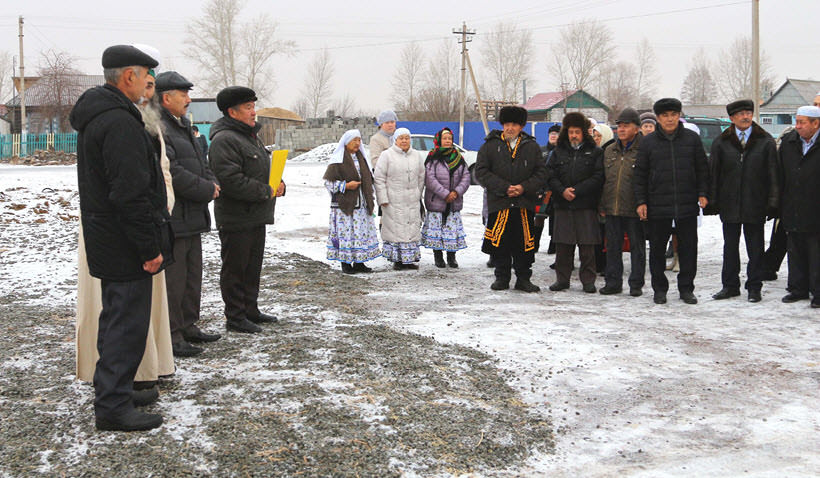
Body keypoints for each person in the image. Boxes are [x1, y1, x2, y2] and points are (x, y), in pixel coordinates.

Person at [70, 44, 173, 431]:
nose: (148, 83)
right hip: (124, 241)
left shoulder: (103, 114)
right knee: (125, 324)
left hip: (110, 236)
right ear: (129, 75)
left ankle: (115, 389)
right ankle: (112, 406)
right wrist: (148, 247)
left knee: (116, 318)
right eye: (145, 75)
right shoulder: (119, 122)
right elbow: (130, 193)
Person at [155, 71, 222, 356]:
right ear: (166, 98)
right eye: (183, 95)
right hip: (175, 217)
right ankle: (172, 335)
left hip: (193, 215)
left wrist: (212, 182)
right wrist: (206, 189)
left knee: (193, 276)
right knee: (175, 280)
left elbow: (201, 162)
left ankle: (188, 324)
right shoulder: (159, 128)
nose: (188, 100)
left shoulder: (183, 125)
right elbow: (172, 171)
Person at [209, 86, 286, 333]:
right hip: (236, 217)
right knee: (235, 269)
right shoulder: (224, 140)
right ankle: (235, 316)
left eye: (254, 106)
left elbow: (261, 169)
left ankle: (250, 309)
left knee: (252, 267)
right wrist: (266, 190)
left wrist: (279, 184)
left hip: (255, 215)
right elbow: (231, 181)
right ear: (232, 112)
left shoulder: (250, 136)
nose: (254, 112)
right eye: (248, 107)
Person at [634, 98, 709, 305]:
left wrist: (703, 192)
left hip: (686, 203)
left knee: (688, 249)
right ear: (658, 118)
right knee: (657, 250)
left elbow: (702, 168)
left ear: (679, 116)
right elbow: (640, 174)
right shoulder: (648, 142)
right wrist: (641, 201)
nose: (669, 119)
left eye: (673, 115)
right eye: (665, 115)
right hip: (658, 204)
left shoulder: (691, 139)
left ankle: (686, 288)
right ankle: (660, 289)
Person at [707, 99, 778, 303]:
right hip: (729, 203)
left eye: (748, 113)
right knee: (730, 247)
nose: (745, 117)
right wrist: (713, 200)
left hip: (755, 203)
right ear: (732, 118)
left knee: (755, 248)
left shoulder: (765, 141)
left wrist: (773, 201)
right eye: (740, 114)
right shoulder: (722, 142)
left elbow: (773, 173)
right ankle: (730, 286)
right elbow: (714, 173)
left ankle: (754, 287)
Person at [475, 105, 547, 292]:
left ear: (521, 126)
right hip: (500, 203)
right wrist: (504, 188)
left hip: (524, 204)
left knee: (524, 244)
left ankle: (523, 279)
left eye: (514, 124)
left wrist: (523, 187)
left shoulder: (531, 146)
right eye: (507, 124)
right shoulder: (490, 145)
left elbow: (541, 173)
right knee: (500, 243)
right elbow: (481, 172)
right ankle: (502, 278)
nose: (510, 128)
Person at [546, 112, 604, 293]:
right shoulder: (557, 152)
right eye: (571, 132)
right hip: (562, 205)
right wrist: (562, 191)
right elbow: (549, 175)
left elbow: (598, 177)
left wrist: (577, 191)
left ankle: (588, 281)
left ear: (583, 133)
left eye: (577, 132)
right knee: (563, 246)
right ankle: (562, 280)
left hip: (586, 205)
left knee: (587, 247)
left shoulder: (595, 152)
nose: (574, 136)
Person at [599, 107, 646, 296]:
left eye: (626, 126)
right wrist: (602, 203)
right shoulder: (609, 150)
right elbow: (603, 178)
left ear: (637, 128)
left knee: (637, 248)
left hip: (635, 207)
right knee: (612, 247)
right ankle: (613, 282)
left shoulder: (645, 149)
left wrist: (644, 203)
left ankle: (636, 284)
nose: (622, 129)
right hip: (612, 207)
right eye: (619, 126)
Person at [778, 105, 820, 308]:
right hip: (793, 205)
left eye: (802, 122)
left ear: (816, 123)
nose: (798, 126)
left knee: (816, 253)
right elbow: (780, 173)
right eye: (797, 122)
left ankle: (818, 292)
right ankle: (798, 288)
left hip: (816, 207)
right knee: (795, 250)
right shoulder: (789, 142)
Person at [323, 129, 381, 273]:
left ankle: (359, 262)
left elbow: (369, 179)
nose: (357, 143)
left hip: (361, 205)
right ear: (346, 142)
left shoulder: (362, 159)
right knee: (347, 233)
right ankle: (346, 263)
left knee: (360, 233)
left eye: (359, 140)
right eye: (354, 140)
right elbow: (328, 183)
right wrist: (346, 186)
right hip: (345, 207)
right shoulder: (337, 160)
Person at [374, 127, 425, 269]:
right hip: (393, 199)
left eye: (407, 138)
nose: (404, 141)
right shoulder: (387, 155)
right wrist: (383, 198)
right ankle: (397, 260)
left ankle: (409, 259)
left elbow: (421, 176)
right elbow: (379, 178)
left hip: (412, 200)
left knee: (411, 228)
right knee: (396, 229)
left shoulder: (416, 155)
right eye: (401, 138)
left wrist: (417, 193)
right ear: (395, 140)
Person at [421, 127, 471, 268]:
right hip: (437, 201)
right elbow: (429, 179)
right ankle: (438, 257)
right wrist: (445, 194)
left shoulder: (458, 157)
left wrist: (456, 192)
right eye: (445, 138)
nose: (448, 141)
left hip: (454, 202)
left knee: (451, 231)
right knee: (437, 231)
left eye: (450, 138)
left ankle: (451, 257)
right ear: (439, 140)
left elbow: (466, 177)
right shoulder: (432, 157)